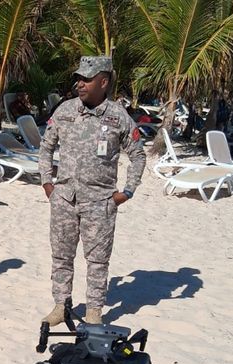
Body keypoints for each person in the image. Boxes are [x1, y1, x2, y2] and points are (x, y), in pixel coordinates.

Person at [38, 56, 146, 326]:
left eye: (87, 79)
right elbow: (45, 147)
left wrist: (127, 192)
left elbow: (138, 156)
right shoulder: (64, 110)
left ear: (104, 81)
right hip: (63, 199)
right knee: (61, 256)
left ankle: (94, 312)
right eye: (79, 78)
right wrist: (47, 184)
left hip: (100, 203)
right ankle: (61, 306)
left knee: (97, 261)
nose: (80, 83)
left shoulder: (118, 116)